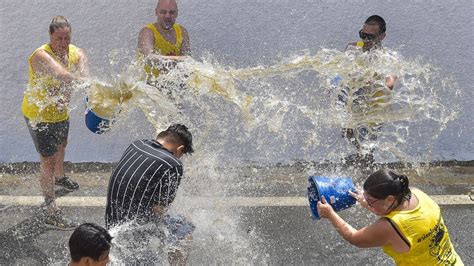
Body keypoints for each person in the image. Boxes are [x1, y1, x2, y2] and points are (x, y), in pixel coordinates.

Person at [21, 15, 88, 229]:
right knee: (47, 161)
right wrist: (90, 82)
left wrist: (93, 86)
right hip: (39, 116)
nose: (63, 43)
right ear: (50, 36)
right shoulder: (41, 56)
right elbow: (65, 76)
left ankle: (60, 177)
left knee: (62, 146)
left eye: (67, 37)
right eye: (59, 38)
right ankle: (51, 208)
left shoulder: (75, 52)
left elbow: (85, 72)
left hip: (60, 114)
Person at [317, 169, 463, 265]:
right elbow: (396, 212)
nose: (366, 202)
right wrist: (369, 203)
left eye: (370, 201)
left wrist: (330, 214)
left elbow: (354, 238)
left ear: (389, 199)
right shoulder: (418, 194)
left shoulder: (389, 226)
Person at [105, 124, 194, 265]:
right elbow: (159, 209)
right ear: (180, 149)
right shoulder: (173, 164)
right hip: (134, 230)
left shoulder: (136, 145)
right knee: (184, 230)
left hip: (112, 222)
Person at [338, 15, 396, 164]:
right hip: (355, 99)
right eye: (363, 35)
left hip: (373, 104)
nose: (366, 40)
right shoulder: (353, 49)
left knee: (367, 141)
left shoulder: (388, 57)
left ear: (382, 36)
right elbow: (343, 71)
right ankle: (363, 158)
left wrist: (373, 80)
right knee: (347, 130)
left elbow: (390, 83)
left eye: (370, 36)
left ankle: (366, 161)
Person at [137, 0, 191, 85]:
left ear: (177, 14)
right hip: (148, 85)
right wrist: (178, 59)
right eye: (163, 12)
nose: (167, 16)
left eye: (172, 12)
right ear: (156, 13)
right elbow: (148, 58)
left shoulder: (182, 32)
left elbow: (188, 63)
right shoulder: (147, 32)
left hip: (172, 84)